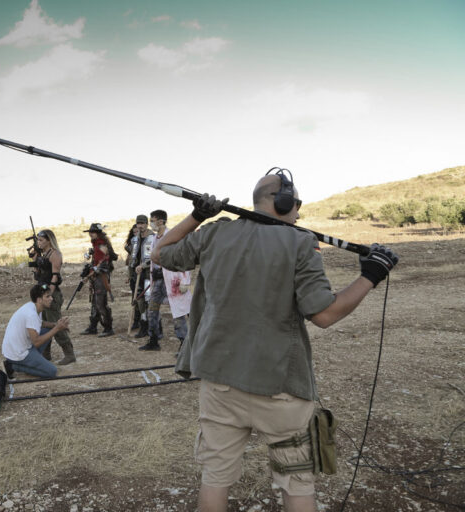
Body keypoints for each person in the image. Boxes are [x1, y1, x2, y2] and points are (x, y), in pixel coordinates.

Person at [153, 169, 398, 512]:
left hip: (219, 380)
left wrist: (197, 216)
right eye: (297, 204)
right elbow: (324, 314)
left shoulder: (214, 233)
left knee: (215, 479)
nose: (299, 212)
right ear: (284, 202)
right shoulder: (300, 242)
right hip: (281, 387)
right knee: (296, 483)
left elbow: (160, 252)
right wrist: (372, 274)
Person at [137, 210, 191, 351]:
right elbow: (153, 258)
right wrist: (144, 266)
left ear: (161, 221)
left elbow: (183, 258)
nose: (151, 223)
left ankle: (184, 346)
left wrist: (185, 281)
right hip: (158, 281)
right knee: (152, 310)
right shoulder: (155, 239)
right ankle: (153, 340)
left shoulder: (173, 237)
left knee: (178, 313)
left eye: (153, 220)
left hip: (173, 282)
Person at [2, 284, 71, 379]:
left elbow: (40, 323)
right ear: (39, 300)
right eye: (47, 296)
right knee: (52, 372)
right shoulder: (31, 314)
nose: (51, 298)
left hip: (19, 347)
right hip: (18, 353)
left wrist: (55, 325)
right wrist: (57, 328)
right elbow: (37, 342)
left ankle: (34, 359)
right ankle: (14, 366)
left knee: (48, 329)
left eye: (50, 295)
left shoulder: (34, 307)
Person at [32, 229, 76, 365]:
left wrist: (48, 295)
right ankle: (46, 353)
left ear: (49, 240)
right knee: (44, 324)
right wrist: (35, 260)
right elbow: (37, 273)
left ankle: (69, 354)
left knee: (56, 323)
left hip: (51, 293)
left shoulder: (55, 254)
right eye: (38, 240)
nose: (39, 242)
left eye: (41, 240)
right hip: (42, 292)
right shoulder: (43, 254)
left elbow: (55, 277)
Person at [80, 223, 116, 337]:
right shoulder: (96, 245)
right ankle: (93, 326)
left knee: (100, 302)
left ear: (98, 233)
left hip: (102, 277)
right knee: (95, 302)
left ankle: (108, 327)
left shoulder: (102, 245)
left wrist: (90, 274)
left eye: (93, 232)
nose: (91, 234)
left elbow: (103, 265)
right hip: (96, 277)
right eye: (90, 232)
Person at [125, 215, 153, 336]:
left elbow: (154, 257)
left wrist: (143, 265)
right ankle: (143, 325)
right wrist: (130, 273)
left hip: (148, 273)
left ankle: (152, 327)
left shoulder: (153, 238)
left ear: (147, 224)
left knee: (148, 300)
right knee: (139, 300)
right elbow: (132, 257)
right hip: (137, 274)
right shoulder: (134, 240)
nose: (140, 226)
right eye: (138, 224)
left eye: (142, 223)